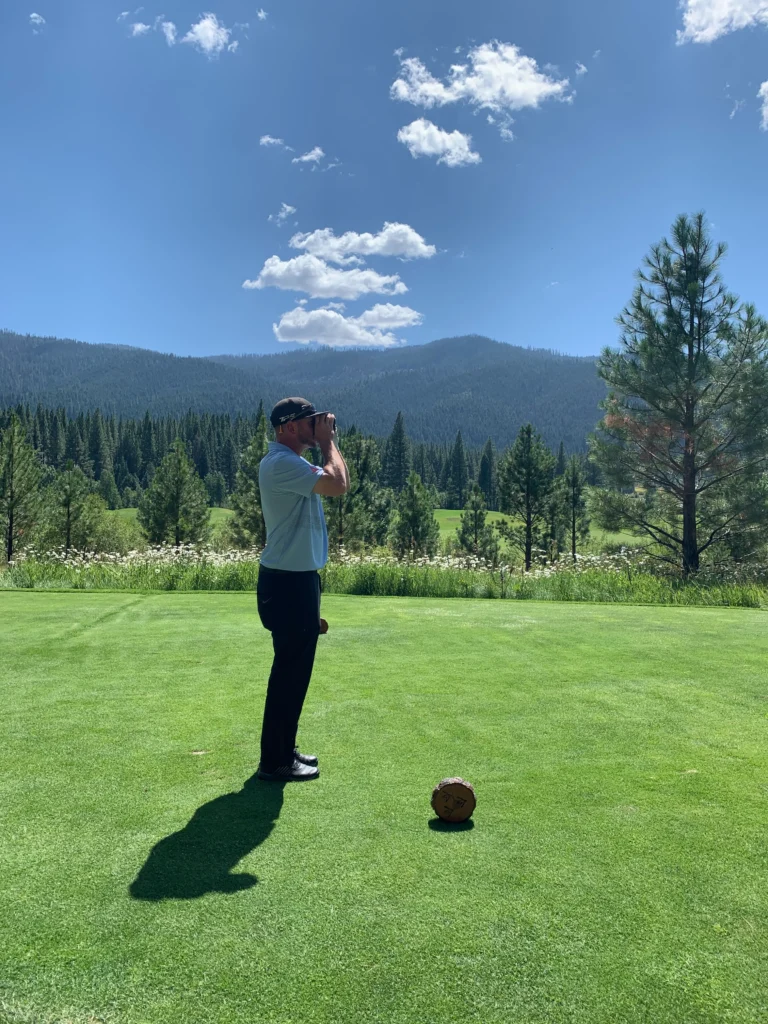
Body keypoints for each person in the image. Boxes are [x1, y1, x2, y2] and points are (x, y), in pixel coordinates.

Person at [255, 397, 349, 782]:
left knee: (295, 674)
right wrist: (328, 443)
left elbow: (331, 479)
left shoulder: (291, 463)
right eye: (311, 422)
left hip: (297, 578)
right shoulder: (279, 463)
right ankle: (274, 761)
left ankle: (284, 750)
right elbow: (338, 484)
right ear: (288, 427)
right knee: (289, 674)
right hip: (287, 580)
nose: (319, 426)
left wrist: (326, 443)